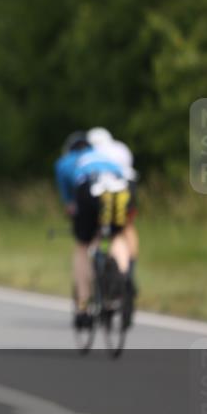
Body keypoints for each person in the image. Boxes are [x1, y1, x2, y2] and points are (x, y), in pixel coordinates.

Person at [55, 131, 132, 329]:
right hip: (118, 189)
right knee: (115, 236)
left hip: (89, 188)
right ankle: (123, 278)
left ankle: (83, 307)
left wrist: (74, 214)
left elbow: (70, 203)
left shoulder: (66, 162)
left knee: (82, 245)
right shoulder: (104, 156)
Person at [87, 127, 140, 295]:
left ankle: (100, 272)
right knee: (126, 228)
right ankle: (127, 271)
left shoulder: (89, 153)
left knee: (95, 229)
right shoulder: (121, 148)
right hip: (126, 190)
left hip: (99, 192)